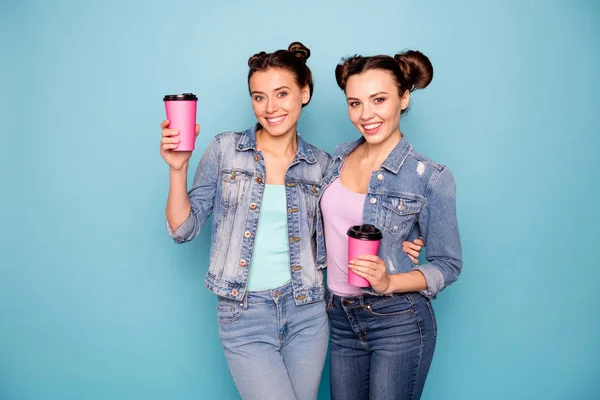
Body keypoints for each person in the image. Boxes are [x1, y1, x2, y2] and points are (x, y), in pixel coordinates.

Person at [320, 50, 462, 400]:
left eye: (378, 99)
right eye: (355, 103)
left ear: (404, 97)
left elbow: (448, 265)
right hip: (339, 318)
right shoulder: (336, 158)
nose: (366, 115)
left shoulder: (429, 177)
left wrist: (388, 281)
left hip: (397, 320)